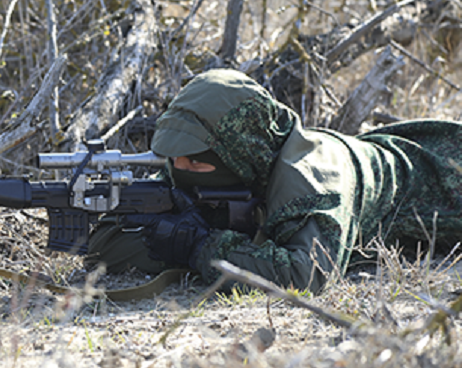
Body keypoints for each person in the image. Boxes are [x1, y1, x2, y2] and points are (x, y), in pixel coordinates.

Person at [85, 69, 462, 293]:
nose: (178, 167)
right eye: (174, 157)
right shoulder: (198, 158)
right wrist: (169, 237)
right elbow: (105, 245)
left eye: (194, 159)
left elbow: (307, 275)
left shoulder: (314, 177)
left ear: (239, 148)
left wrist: (202, 247)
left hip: (445, 175)